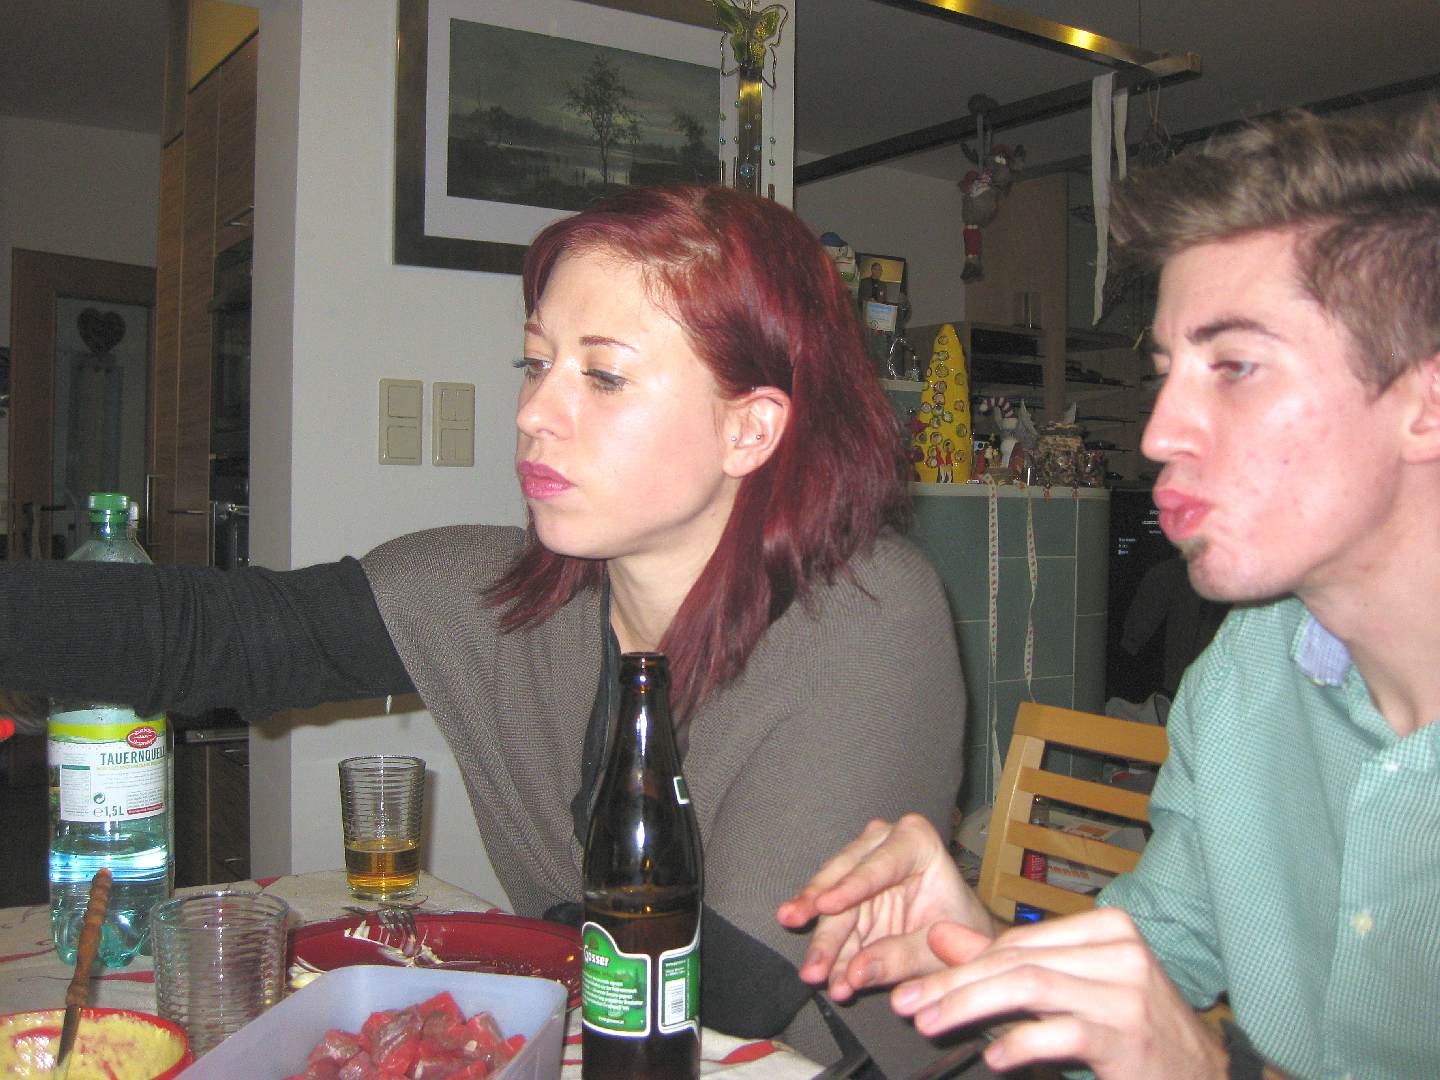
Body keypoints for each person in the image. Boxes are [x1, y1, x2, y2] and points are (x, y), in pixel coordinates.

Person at [2, 184, 966, 1072]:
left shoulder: (872, 612)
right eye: (536, 362)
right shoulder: (492, 596)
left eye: (604, 376)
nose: (535, 411)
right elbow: (217, 635)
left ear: (748, 429)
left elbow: (731, 980)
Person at [778, 101, 1440, 1080]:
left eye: (1236, 366)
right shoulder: (1245, 677)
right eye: (1169, 369)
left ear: (1425, 400)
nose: (1159, 433)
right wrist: (987, 950)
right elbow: (1159, 954)